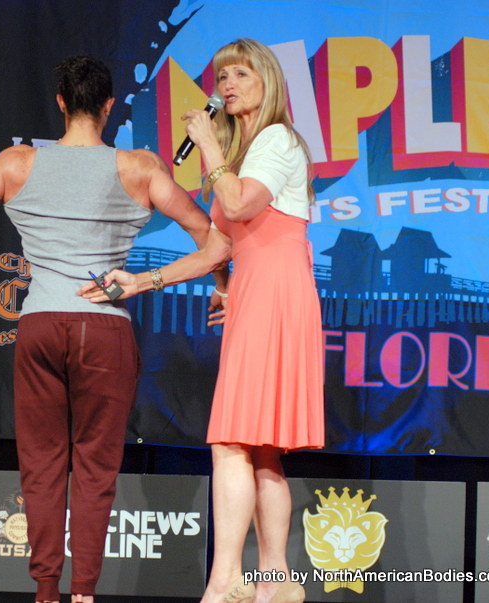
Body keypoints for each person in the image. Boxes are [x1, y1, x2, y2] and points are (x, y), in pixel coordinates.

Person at [0, 56, 216, 603]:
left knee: (42, 461)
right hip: (106, 328)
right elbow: (207, 234)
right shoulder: (141, 167)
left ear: (60, 103)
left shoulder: (18, 163)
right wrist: (220, 284)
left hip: (41, 326)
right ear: (108, 106)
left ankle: (46, 590)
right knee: (96, 465)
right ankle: (85, 592)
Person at [79, 38, 323, 603]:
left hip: (275, 295)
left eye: (241, 74)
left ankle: (226, 579)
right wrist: (141, 281)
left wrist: (210, 145)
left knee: (231, 439)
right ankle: (276, 581)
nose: (228, 85)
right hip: (257, 294)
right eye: (223, 76)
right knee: (260, 447)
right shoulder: (246, 154)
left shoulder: (276, 139)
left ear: (267, 81)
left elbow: (237, 206)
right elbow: (216, 250)